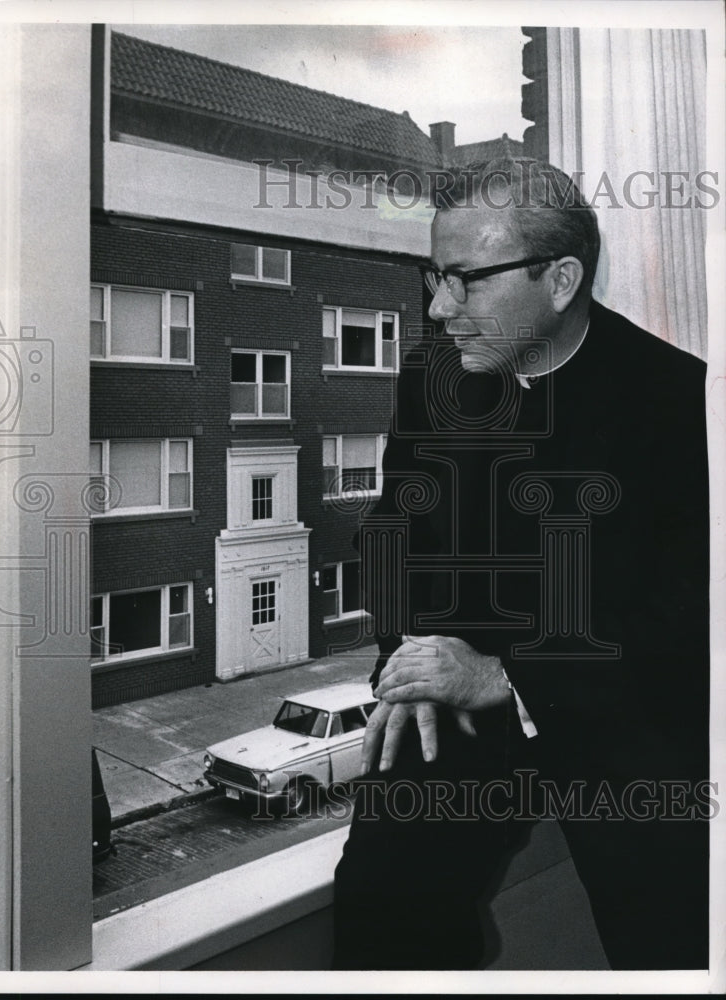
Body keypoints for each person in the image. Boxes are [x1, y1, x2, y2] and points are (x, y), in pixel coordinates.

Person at [332, 158, 710, 971]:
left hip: (623, 714)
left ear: (561, 278)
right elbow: (390, 533)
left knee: (672, 941)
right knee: (376, 912)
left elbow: (690, 612)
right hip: (459, 710)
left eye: (466, 281)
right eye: (435, 278)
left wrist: (510, 678)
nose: (440, 309)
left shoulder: (684, 403)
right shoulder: (428, 382)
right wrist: (414, 656)